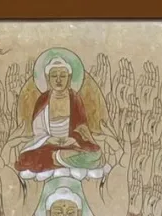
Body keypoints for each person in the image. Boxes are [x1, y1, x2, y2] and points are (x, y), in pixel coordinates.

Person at [16, 51, 105, 182]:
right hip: (49, 145)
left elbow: (82, 128)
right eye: (54, 76)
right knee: (26, 158)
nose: (58, 80)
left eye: (63, 76)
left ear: (69, 78)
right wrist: (49, 139)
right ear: (48, 79)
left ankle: (57, 158)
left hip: (72, 145)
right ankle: (60, 158)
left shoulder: (75, 99)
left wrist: (73, 140)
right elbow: (38, 131)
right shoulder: (43, 100)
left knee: (95, 155)